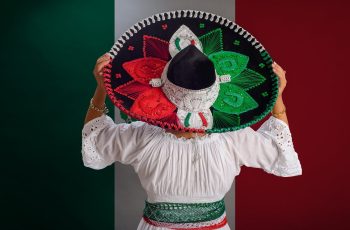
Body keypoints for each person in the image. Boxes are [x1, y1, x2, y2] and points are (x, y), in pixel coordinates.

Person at [81, 12, 302, 229]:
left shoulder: (142, 136)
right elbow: (279, 149)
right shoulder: (232, 138)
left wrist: (101, 89)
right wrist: (278, 97)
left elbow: (95, 139)